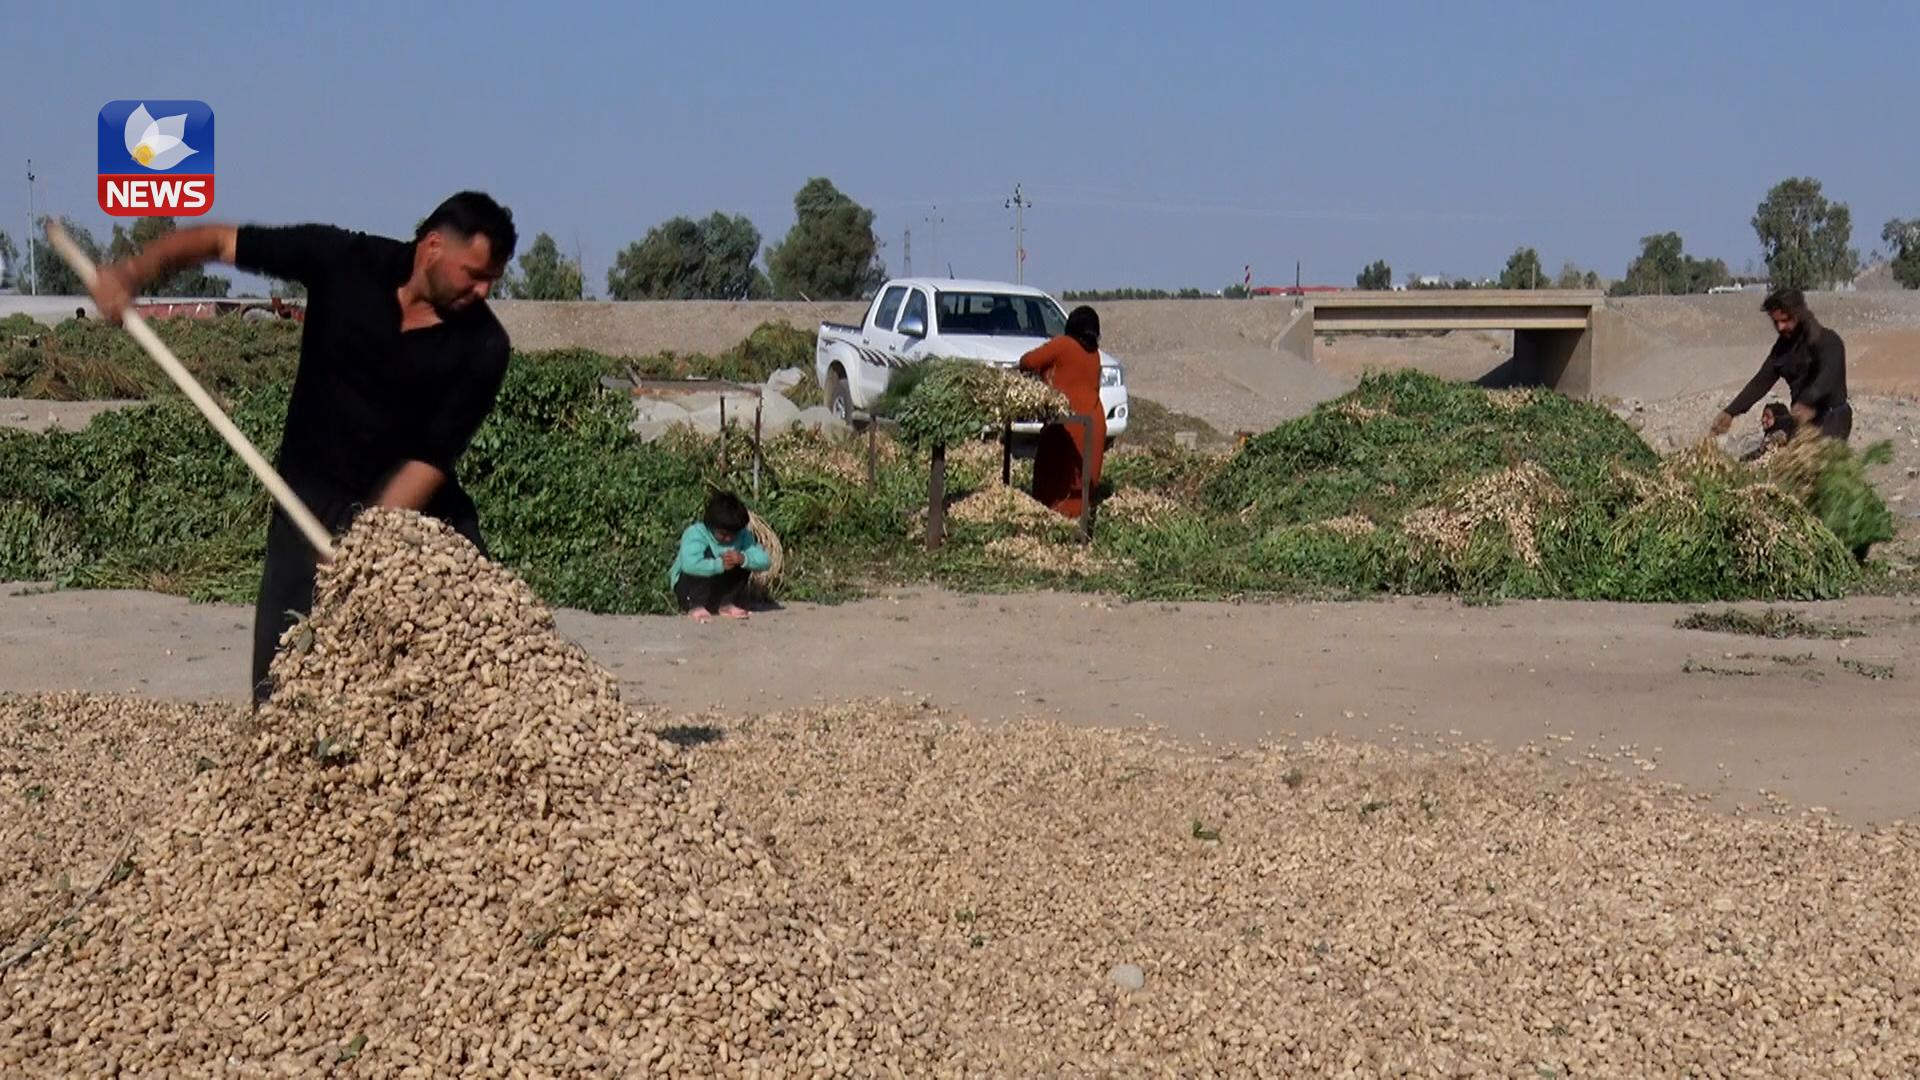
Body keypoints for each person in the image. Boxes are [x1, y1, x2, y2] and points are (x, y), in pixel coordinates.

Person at [84, 191, 518, 705]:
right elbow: (219, 241)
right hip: (307, 497)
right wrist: (132, 273)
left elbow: (430, 459)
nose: (485, 289)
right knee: (283, 680)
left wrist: (365, 547)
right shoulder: (344, 261)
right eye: (475, 273)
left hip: (414, 517)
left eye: (492, 278)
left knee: (483, 655)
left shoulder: (485, 347)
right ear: (433, 247)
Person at [1710, 288, 1850, 442]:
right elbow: (1760, 382)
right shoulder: (1782, 349)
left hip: (1833, 419)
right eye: (1775, 322)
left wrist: (1806, 401)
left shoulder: (1828, 342)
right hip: (1804, 421)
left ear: (1799, 314)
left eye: (1785, 320)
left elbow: (1826, 378)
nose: (1780, 327)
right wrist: (1731, 412)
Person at [1018, 304, 1107, 518]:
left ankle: (1053, 523)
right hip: (1094, 423)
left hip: (1067, 423)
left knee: (1055, 482)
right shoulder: (1095, 354)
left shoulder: (1063, 345)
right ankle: (1080, 523)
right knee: (1083, 482)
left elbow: (1027, 361)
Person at [670, 490, 770, 622]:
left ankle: (726, 603)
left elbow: (765, 561)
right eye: (723, 534)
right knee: (707, 554)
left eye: (732, 534)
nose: (728, 539)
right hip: (688, 589)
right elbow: (689, 565)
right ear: (711, 526)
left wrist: (743, 559)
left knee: (741, 560)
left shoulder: (743, 535)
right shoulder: (696, 534)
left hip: (717, 589)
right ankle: (696, 606)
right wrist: (719, 565)